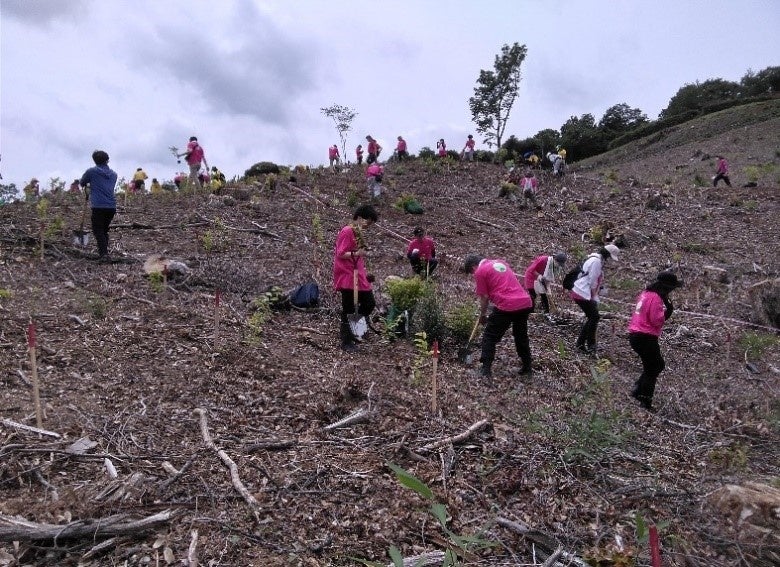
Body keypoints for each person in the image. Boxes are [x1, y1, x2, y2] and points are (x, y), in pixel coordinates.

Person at [463, 254, 534, 379]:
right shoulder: (501, 262)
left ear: (474, 266)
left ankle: (485, 370)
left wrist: (483, 315)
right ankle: (527, 367)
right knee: (521, 335)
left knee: (489, 336)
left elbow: (484, 297)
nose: (473, 275)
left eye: (471, 272)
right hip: (524, 302)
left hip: (507, 304)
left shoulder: (480, 271)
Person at [628, 272, 683, 410]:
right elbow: (656, 320)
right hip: (645, 336)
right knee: (653, 368)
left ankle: (638, 390)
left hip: (636, 334)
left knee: (656, 365)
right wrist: (668, 311)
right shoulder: (656, 298)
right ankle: (645, 400)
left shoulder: (646, 293)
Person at [333, 204, 379, 352]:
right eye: (368, 222)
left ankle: (357, 328)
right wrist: (357, 253)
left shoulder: (358, 232)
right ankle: (346, 340)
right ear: (359, 218)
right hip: (347, 274)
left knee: (369, 303)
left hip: (358, 274)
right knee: (348, 307)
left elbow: (358, 253)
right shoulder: (347, 231)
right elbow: (341, 253)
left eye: (371, 224)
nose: (368, 226)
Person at [570, 244, 621, 354]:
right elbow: (592, 281)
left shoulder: (595, 259)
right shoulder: (596, 262)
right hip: (582, 292)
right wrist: (593, 296)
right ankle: (589, 345)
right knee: (594, 317)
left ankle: (582, 344)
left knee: (592, 317)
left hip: (581, 291)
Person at [80, 150, 118, 262]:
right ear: (107, 160)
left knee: (98, 230)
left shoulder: (91, 172)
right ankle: (105, 252)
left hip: (98, 205)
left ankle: (104, 255)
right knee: (104, 229)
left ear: (94, 160)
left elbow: (82, 182)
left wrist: (88, 186)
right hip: (111, 206)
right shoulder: (114, 175)